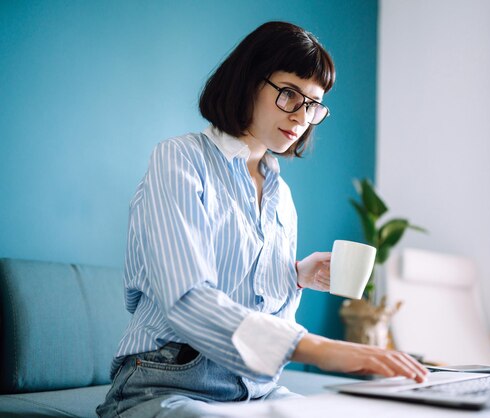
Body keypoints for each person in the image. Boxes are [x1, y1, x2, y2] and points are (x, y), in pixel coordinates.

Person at [97, 21, 428, 418]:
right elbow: (187, 299)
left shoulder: (280, 195)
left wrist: (294, 276)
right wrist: (321, 349)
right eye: (289, 94)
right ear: (248, 82)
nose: (301, 117)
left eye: (313, 104)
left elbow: (252, 301)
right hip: (166, 382)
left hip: (254, 388)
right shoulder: (180, 159)